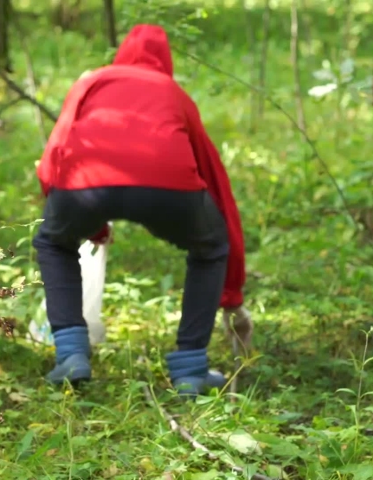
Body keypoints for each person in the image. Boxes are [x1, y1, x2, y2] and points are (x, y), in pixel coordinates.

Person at [33, 24, 251, 397]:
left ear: (120, 55)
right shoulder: (174, 93)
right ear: (166, 62)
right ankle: (191, 368)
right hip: (168, 189)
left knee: (54, 242)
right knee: (210, 246)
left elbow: (56, 149)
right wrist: (231, 295)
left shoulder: (92, 81)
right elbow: (215, 181)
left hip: (84, 184)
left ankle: (70, 353)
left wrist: (81, 220)